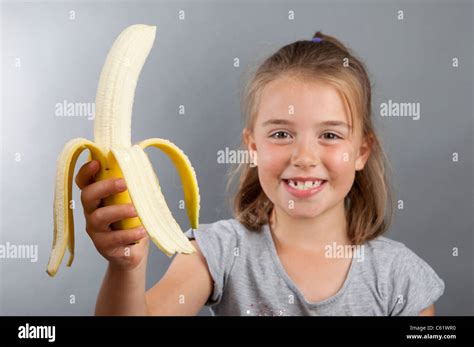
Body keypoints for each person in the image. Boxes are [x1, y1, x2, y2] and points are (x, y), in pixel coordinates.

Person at [76, 31, 444, 316]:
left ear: (361, 151)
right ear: (252, 147)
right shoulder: (216, 253)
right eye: (281, 134)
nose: (303, 157)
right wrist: (127, 266)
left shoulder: (402, 277)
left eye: (330, 135)